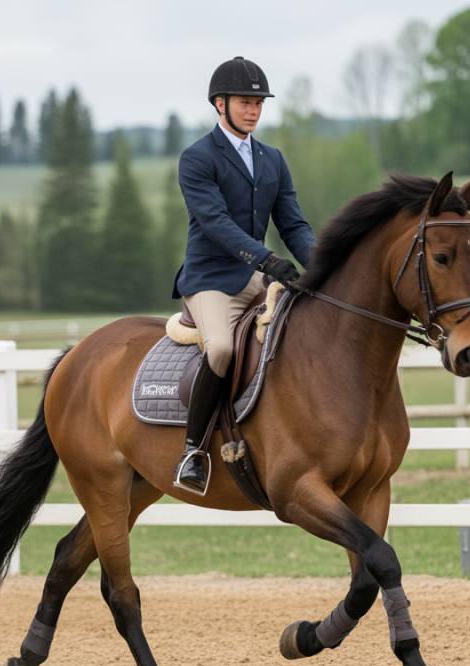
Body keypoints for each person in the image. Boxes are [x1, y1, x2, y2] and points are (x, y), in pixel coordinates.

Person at [171, 56, 316, 496]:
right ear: (220, 104)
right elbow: (215, 222)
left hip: (255, 278)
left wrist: (325, 267)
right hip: (211, 280)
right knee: (219, 348)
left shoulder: (272, 159)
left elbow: (293, 224)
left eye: (259, 102)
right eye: (245, 102)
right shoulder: (197, 159)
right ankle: (193, 451)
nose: (254, 110)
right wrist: (267, 260)